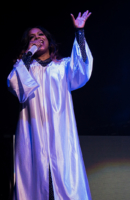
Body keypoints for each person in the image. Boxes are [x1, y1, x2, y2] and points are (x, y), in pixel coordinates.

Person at [7, 10, 93, 200]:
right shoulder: (24, 68)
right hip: (33, 134)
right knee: (35, 182)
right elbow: (15, 84)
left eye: (40, 35)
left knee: (63, 181)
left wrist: (79, 32)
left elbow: (82, 70)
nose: (37, 39)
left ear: (49, 40)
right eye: (32, 38)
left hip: (61, 136)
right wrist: (28, 53)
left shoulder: (62, 67)